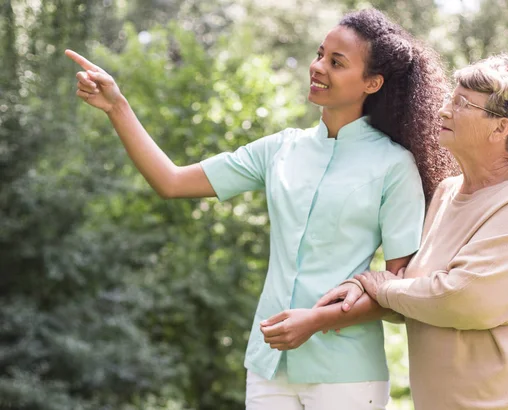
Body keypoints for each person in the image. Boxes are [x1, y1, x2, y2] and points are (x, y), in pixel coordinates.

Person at [66, 8, 456, 409]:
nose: (318, 67)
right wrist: (117, 107)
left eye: (336, 63)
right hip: (268, 366)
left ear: (372, 82)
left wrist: (319, 320)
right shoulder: (281, 148)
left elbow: (401, 292)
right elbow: (171, 181)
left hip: (346, 374)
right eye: (320, 54)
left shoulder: (394, 166)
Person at [319, 55, 508, 409]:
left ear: (500, 129)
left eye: (462, 103)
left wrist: (384, 287)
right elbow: (419, 291)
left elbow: (463, 299)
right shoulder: (448, 192)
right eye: (451, 98)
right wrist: (364, 285)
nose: (443, 111)